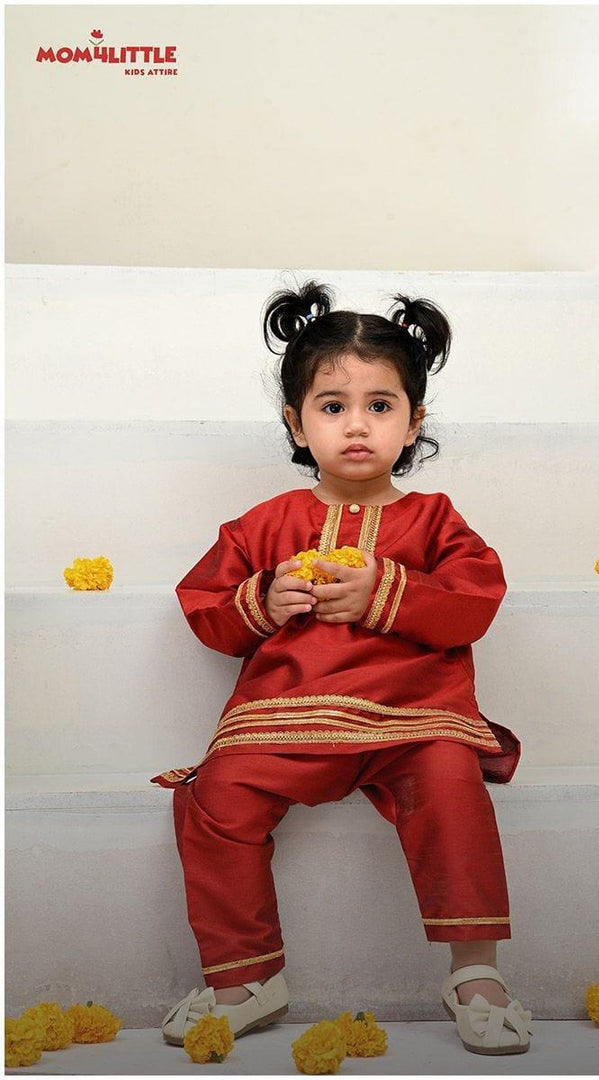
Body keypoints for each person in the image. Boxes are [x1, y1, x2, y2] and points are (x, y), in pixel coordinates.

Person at [154, 279, 532, 1055]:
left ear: (414, 420)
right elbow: (206, 607)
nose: (357, 425)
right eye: (332, 406)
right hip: (285, 722)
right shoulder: (263, 526)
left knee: (453, 785)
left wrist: (387, 591)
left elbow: (475, 601)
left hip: (411, 719)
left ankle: (476, 972)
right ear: (297, 422)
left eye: (380, 405)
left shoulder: (434, 521)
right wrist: (264, 598)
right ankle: (246, 979)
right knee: (215, 796)